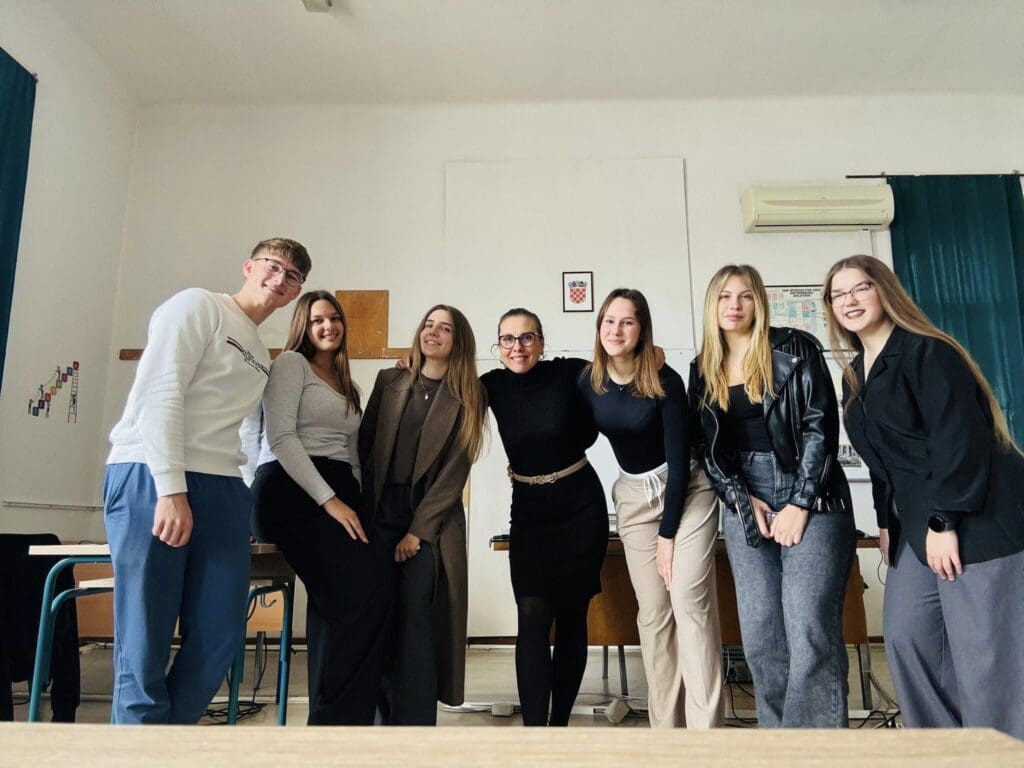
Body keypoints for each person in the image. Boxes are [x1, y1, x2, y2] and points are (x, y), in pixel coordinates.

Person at [103, 238, 309, 724]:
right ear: (249, 266)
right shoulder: (199, 306)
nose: (280, 279)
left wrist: (240, 496)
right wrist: (170, 488)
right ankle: (137, 748)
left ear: (296, 292)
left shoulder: (259, 351)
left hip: (222, 486)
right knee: (146, 635)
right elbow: (160, 392)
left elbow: (244, 431)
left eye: (293, 276)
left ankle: (168, 742)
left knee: (219, 635)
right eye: (273, 266)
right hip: (151, 472)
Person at [822, 254, 1024, 738]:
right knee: (908, 638)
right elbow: (883, 460)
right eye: (838, 294)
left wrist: (943, 521)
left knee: (984, 656)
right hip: (914, 525)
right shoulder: (855, 374)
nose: (850, 300)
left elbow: (959, 440)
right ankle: (942, 750)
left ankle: (999, 753)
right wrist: (886, 524)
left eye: (861, 288)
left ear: (885, 291)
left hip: (975, 519)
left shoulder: (928, 352)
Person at [689, 264, 855, 728]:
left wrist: (800, 502)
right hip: (746, 496)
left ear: (758, 302)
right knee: (762, 634)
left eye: (744, 296)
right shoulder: (702, 368)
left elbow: (820, 427)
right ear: (712, 305)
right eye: (724, 296)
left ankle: (815, 749)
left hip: (812, 491)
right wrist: (742, 498)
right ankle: (778, 742)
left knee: (808, 625)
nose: (734, 305)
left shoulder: (795, 347)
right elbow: (707, 448)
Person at [578, 288, 723, 729]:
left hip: (687, 490)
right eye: (609, 321)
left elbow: (680, 464)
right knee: (654, 613)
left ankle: (706, 733)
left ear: (642, 330)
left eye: (627, 322)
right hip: (633, 497)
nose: (616, 330)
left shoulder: (665, 380)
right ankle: (666, 731)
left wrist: (668, 534)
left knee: (688, 602)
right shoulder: (588, 381)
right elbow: (561, 421)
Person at [251, 290, 392, 725]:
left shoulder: (349, 385)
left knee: (374, 591)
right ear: (304, 327)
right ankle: (331, 724)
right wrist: (330, 501)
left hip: (339, 489)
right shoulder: (291, 364)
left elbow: (352, 453)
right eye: (317, 320)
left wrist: (356, 504)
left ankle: (347, 720)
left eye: (334, 318)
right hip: (291, 487)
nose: (328, 326)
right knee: (354, 594)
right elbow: (280, 437)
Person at [358, 304, 487, 725]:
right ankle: (382, 718)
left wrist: (418, 532)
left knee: (417, 617)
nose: (433, 332)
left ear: (458, 341)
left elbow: (455, 473)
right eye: (428, 325)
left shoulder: (470, 395)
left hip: (431, 520)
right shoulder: (390, 380)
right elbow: (365, 447)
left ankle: (414, 726)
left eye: (444, 328)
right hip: (380, 513)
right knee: (379, 613)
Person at [481, 309, 608, 727]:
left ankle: (560, 727)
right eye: (507, 339)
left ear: (541, 342)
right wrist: (411, 363)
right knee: (532, 615)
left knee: (572, 617)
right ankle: (535, 734)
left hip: (580, 507)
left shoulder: (569, 373)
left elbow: (619, 368)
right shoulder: (491, 386)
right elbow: (446, 387)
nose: (517, 347)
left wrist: (653, 354)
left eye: (527, 337)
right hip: (530, 513)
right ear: (498, 346)